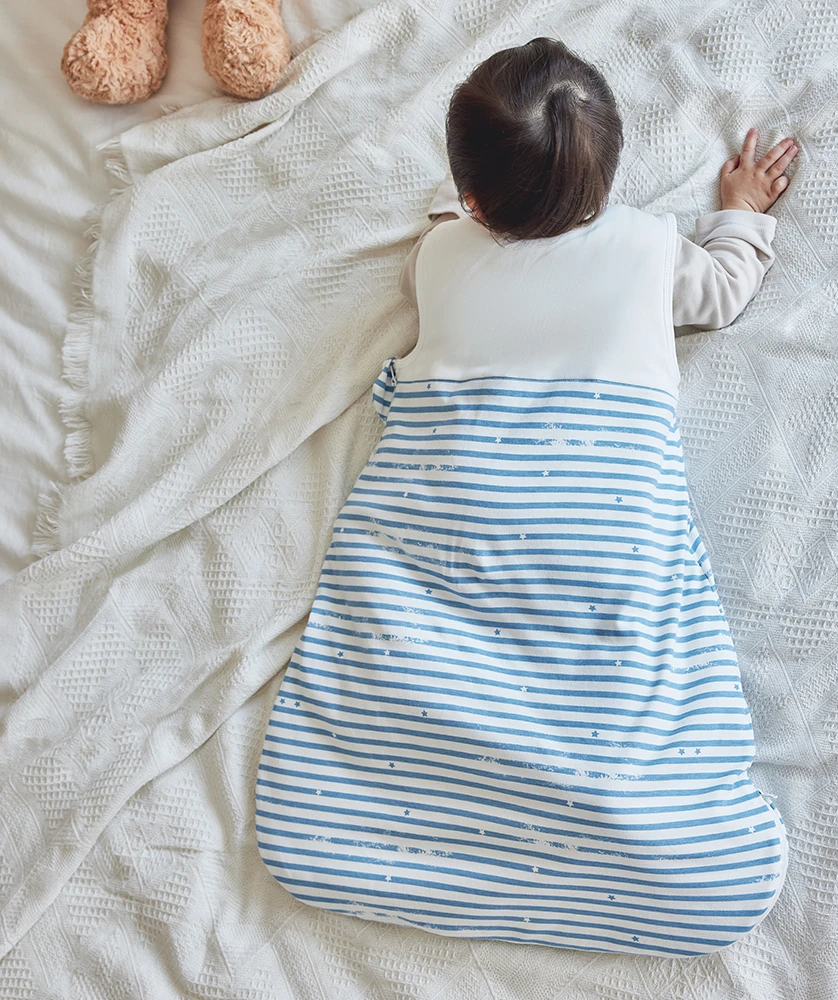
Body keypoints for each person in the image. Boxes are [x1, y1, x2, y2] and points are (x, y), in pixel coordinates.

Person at [256, 36, 799, 959]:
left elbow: (455, 234)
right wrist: (740, 215)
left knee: (422, 620)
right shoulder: (647, 246)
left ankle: (412, 817)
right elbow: (723, 289)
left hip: (459, 492)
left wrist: (463, 216)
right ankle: (605, 843)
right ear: (607, 181)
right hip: (599, 510)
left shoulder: (438, 256)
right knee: (611, 639)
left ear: (469, 200)